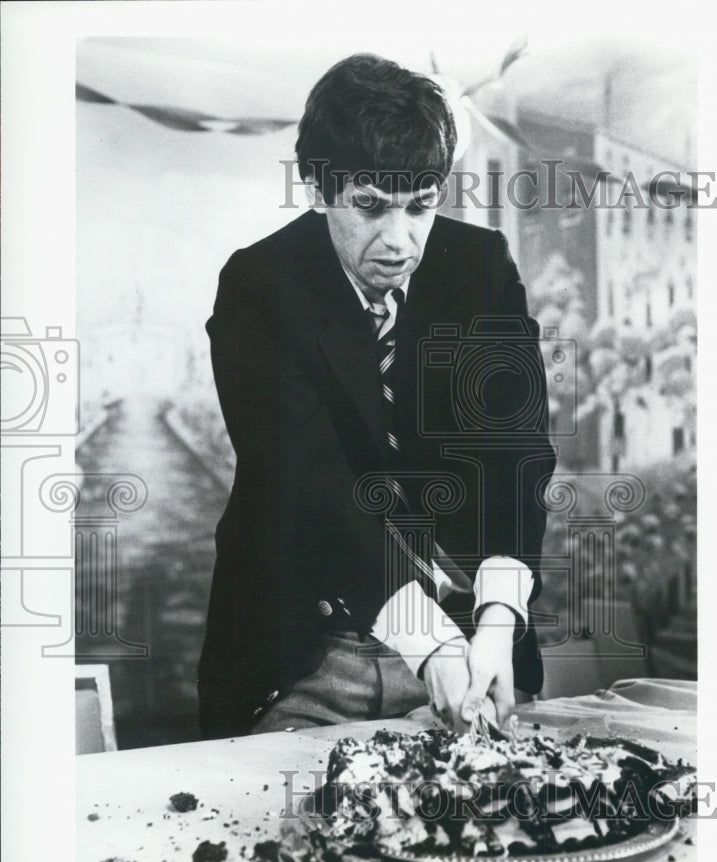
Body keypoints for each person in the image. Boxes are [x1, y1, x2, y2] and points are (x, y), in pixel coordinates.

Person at [198, 53, 556, 739]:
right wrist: (432, 645)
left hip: (470, 649)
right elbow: (310, 485)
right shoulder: (258, 287)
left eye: (421, 205)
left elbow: (515, 455)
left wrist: (497, 624)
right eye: (370, 206)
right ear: (317, 186)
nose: (399, 241)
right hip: (305, 663)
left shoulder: (482, 268)